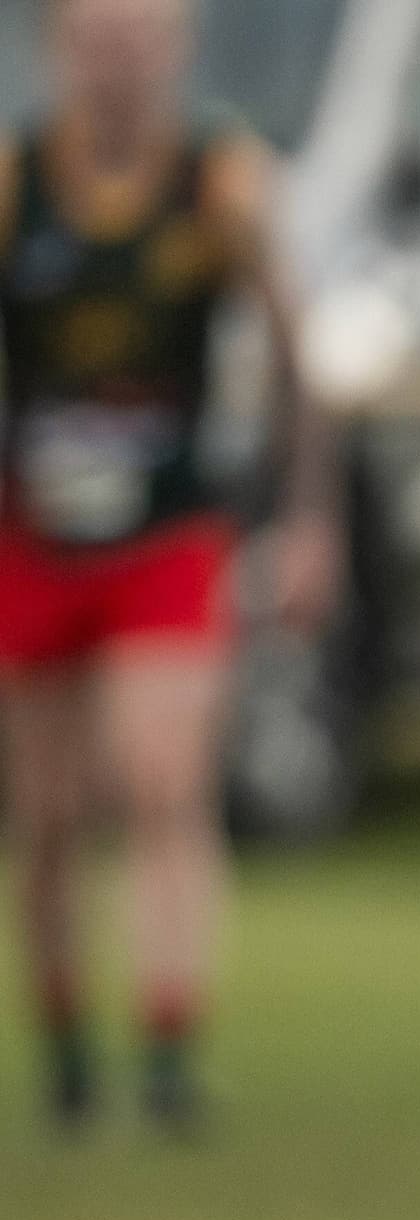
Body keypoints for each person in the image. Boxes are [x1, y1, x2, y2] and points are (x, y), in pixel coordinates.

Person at [4, 0, 338, 1137]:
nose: (118, 64)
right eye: (96, 41)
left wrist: (307, 520)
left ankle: (168, 1056)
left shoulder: (219, 185)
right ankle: (65, 1055)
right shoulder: (16, 186)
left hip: (168, 532)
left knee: (161, 782)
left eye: (140, 39)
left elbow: (298, 359)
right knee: (48, 813)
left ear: (176, 49)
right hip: (34, 539)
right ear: (60, 51)